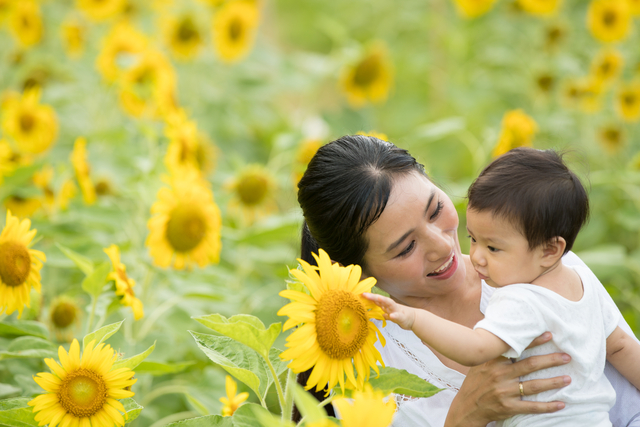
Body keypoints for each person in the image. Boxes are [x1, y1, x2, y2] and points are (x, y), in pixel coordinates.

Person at [295, 134, 640, 427]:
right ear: (359, 271)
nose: (442, 245)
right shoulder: (364, 368)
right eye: (406, 248)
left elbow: (630, 403)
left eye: (435, 210)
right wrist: (464, 416)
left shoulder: (544, 270)